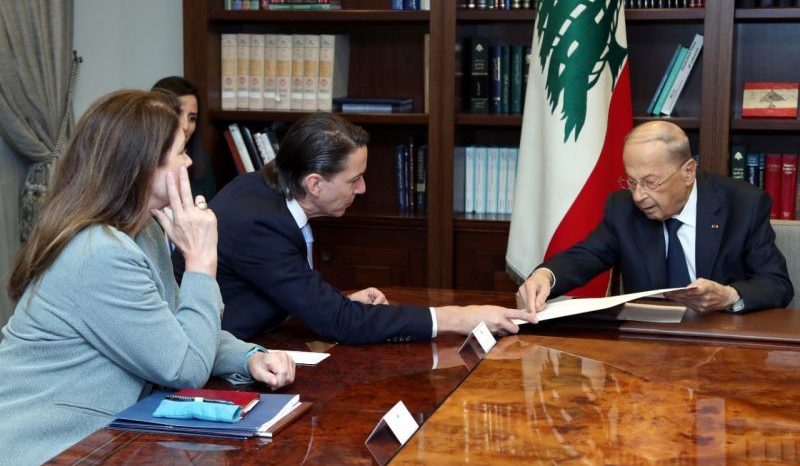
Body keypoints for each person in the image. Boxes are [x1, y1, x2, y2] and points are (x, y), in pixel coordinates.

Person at [0, 90, 295, 466]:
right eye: (181, 151)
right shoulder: (100, 252)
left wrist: (249, 356)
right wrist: (201, 262)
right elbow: (185, 368)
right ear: (141, 166)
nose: (190, 161)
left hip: (107, 441)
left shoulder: (144, 232)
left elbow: (175, 330)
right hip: (48, 448)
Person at [174, 112, 537, 343]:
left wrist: (335, 303)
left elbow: (285, 288)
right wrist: (459, 317)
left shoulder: (260, 187)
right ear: (315, 184)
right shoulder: (260, 223)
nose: (362, 189)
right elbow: (339, 323)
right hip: (215, 363)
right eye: (354, 179)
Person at [518, 120, 793, 315]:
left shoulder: (743, 205)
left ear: (688, 172)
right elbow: (586, 255)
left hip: (721, 342)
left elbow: (777, 284)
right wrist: (545, 276)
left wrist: (729, 296)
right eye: (632, 182)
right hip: (648, 345)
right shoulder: (623, 208)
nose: (638, 196)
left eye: (651, 183)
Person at [152, 76, 216, 200]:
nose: (185, 126)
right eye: (177, 114)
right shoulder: (138, 161)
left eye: (192, 118)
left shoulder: (200, 162)